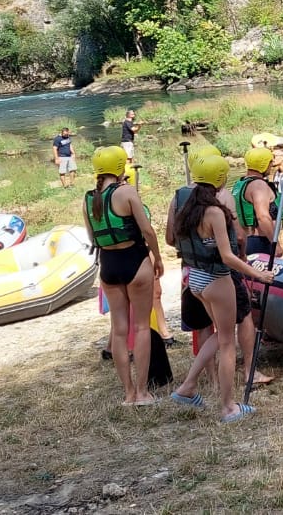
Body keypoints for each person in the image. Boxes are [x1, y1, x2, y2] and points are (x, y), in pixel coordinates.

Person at [165, 149, 275, 422]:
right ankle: (228, 407)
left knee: (218, 335)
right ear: (221, 180)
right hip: (216, 279)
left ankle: (187, 387)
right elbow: (227, 256)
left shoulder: (182, 200)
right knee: (228, 342)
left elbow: (171, 239)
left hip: (194, 278)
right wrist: (258, 274)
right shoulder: (214, 210)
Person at [84, 146, 165, 405]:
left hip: (108, 264)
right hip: (134, 260)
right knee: (141, 327)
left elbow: (91, 237)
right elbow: (148, 231)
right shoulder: (127, 192)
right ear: (121, 168)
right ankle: (142, 392)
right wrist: (158, 257)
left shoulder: (88, 199)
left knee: (118, 331)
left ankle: (128, 392)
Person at [233, 148, 282, 261]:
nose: (272, 165)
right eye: (270, 162)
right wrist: (275, 245)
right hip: (261, 243)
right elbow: (262, 217)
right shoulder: (259, 186)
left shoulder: (240, 183)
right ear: (263, 164)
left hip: (247, 241)